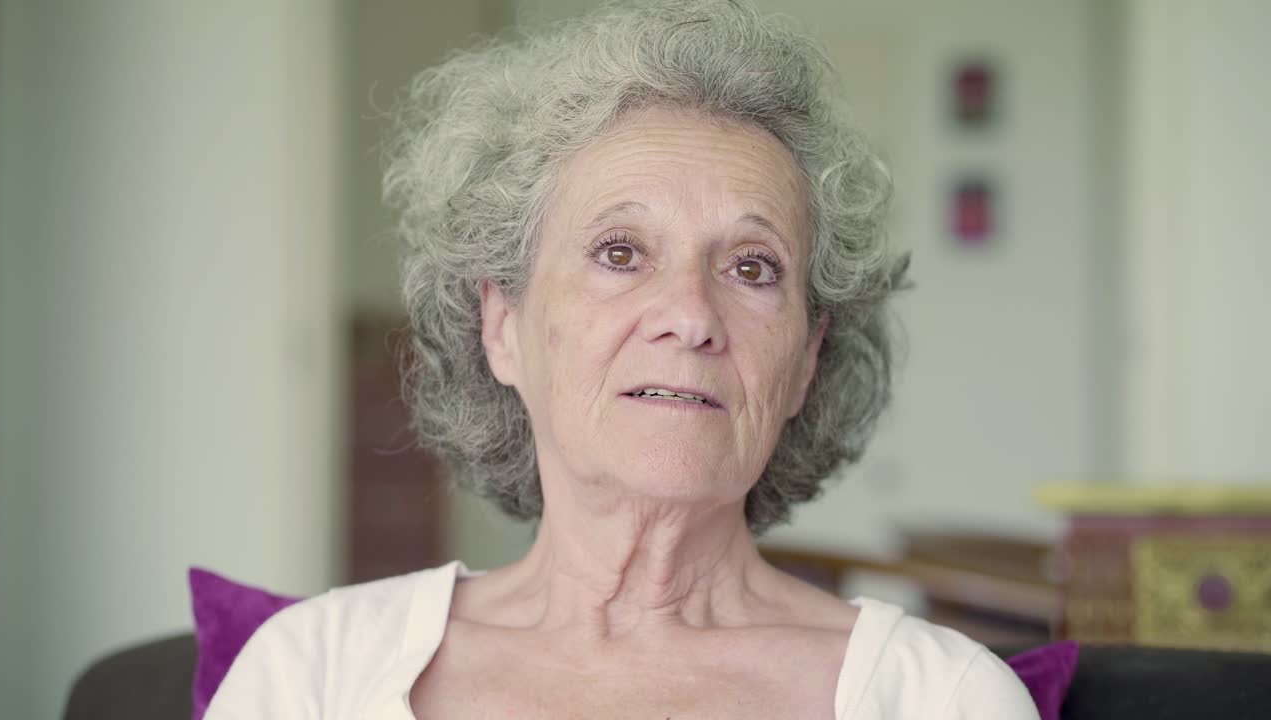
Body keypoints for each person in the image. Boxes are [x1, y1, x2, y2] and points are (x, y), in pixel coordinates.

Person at [206, 1, 1039, 717]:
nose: (690, 316)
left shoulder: (940, 697)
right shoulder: (310, 672)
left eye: (752, 268)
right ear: (502, 326)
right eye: (620, 252)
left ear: (806, 359)